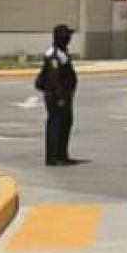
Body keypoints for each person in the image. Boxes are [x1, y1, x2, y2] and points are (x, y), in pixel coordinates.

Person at [34, 24, 79, 166]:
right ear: (62, 38)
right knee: (56, 125)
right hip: (57, 97)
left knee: (64, 124)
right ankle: (54, 158)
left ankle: (62, 155)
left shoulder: (59, 53)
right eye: (67, 36)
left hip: (60, 96)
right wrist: (60, 97)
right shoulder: (55, 55)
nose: (69, 39)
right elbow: (54, 78)